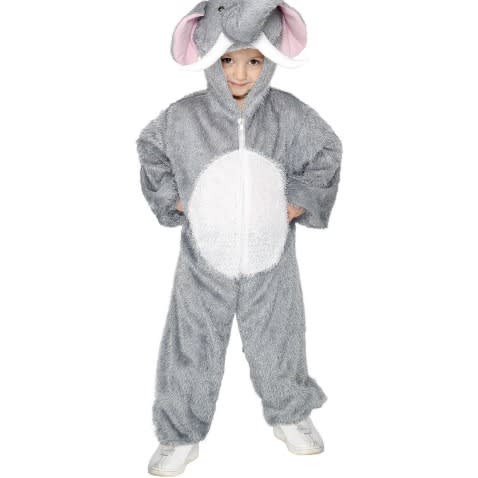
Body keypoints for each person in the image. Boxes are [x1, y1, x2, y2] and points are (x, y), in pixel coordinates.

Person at [137, 2, 342, 476]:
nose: (241, 73)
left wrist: (300, 200)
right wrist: (173, 199)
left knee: (281, 336)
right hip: (204, 259)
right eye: (228, 60)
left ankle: (290, 413)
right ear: (209, 56)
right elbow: (150, 148)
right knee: (191, 342)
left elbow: (327, 149)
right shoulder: (184, 117)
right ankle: (180, 434)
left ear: (270, 60)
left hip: (272, 256)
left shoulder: (288, 115)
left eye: (254, 60)